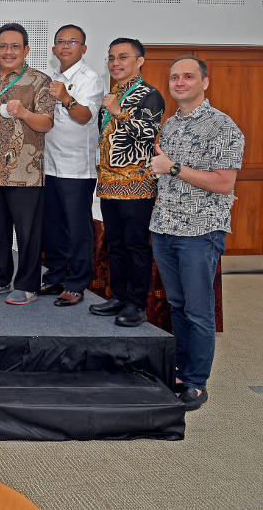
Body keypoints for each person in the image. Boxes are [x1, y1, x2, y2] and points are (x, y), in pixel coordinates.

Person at [149, 56, 243, 411]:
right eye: (175, 77)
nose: (180, 82)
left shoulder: (223, 127)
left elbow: (223, 182)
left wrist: (172, 167)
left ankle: (196, 383)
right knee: (177, 305)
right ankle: (179, 370)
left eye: (188, 76)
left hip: (200, 232)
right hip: (165, 227)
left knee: (199, 310)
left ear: (205, 82)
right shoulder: (170, 124)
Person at [0, 23, 54, 305]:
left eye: (15, 46)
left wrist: (22, 112)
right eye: (3, 46)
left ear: (26, 50)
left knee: (27, 233)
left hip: (25, 171)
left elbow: (46, 122)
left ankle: (28, 284)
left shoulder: (39, 81)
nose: (8, 52)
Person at [91, 37, 164, 327]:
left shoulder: (149, 94)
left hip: (136, 185)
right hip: (109, 183)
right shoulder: (114, 93)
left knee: (136, 245)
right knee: (116, 243)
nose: (115, 63)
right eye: (111, 58)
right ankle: (119, 296)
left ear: (139, 61)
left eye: (122, 57)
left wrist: (119, 113)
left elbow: (148, 134)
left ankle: (136, 304)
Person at [39, 24, 105, 307]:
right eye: (61, 42)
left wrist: (66, 97)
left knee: (78, 228)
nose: (66, 46)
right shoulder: (52, 76)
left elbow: (84, 117)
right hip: (50, 165)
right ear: (54, 50)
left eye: (72, 41)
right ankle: (55, 275)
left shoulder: (90, 78)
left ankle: (77, 283)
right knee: (52, 226)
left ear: (83, 48)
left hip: (77, 168)